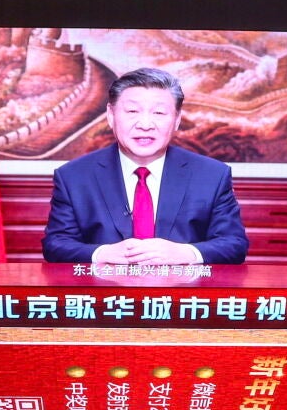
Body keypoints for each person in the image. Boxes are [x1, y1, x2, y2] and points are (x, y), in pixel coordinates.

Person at [42, 67, 248, 265]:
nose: (145, 124)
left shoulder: (212, 175)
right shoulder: (74, 176)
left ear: (177, 120)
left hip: (182, 288)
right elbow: (56, 244)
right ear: (111, 115)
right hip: (104, 288)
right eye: (132, 111)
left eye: (159, 113)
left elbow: (234, 244)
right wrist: (102, 253)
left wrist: (186, 253)